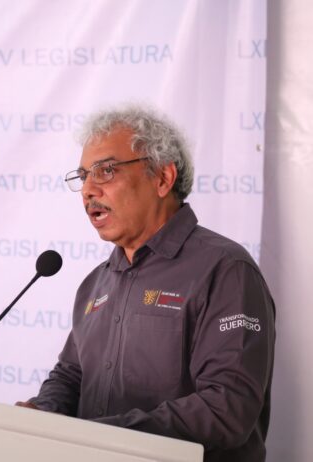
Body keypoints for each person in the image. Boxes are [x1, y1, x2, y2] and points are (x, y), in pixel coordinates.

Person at [16, 105, 275, 462]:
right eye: (83, 176)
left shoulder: (225, 269)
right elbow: (71, 375)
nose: (88, 189)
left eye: (106, 171)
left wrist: (103, 437)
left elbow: (227, 408)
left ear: (163, 178)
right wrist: (42, 413)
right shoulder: (96, 282)